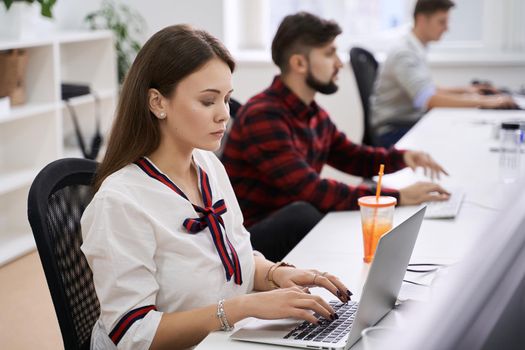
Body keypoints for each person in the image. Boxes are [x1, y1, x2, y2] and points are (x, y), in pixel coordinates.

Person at [81, 25, 353, 350]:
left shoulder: (208, 166)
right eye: (208, 101)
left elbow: (235, 258)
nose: (224, 114)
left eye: (226, 99)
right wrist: (244, 307)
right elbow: (133, 334)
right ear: (157, 103)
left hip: (223, 340)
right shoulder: (120, 201)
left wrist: (277, 274)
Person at [221, 11, 449, 248]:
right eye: (329, 53)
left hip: (291, 225)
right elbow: (310, 190)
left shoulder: (312, 113)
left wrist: (403, 157)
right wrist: (397, 197)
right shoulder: (263, 117)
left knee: (328, 213)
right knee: (306, 213)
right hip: (252, 242)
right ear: (299, 63)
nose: (339, 63)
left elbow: (353, 157)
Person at [370, 0, 518, 147]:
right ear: (422, 20)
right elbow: (428, 99)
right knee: (461, 139)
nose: (447, 28)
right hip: (393, 131)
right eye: (441, 22)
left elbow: (428, 89)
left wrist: (467, 91)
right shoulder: (404, 53)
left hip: (407, 123)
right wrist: (485, 102)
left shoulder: (415, 48)